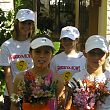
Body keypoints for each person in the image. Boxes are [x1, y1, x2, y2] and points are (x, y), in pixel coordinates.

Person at [10, 35, 63, 110]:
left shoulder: (58, 80)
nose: (42, 56)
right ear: (30, 54)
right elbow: (14, 105)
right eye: (37, 52)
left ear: (52, 55)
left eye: (46, 52)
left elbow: (60, 106)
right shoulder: (20, 78)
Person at [0, 9, 35, 110]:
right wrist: (13, 98)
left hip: (33, 93)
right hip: (12, 92)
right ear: (16, 23)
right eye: (23, 23)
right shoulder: (6, 46)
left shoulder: (35, 44)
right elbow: (8, 75)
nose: (26, 26)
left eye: (29, 23)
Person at [68, 35, 110, 110]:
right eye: (92, 53)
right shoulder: (76, 78)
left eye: (100, 53)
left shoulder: (109, 77)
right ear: (85, 54)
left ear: (107, 54)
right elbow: (68, 105)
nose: (96, 57)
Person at [50, 26, 86, 109]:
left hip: (79, 98)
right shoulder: (55, 59)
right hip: (60, 97)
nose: (67, 42)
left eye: (70, 39)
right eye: (64, 39)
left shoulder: (84, 59)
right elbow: (52, 79)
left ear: (77, 40)